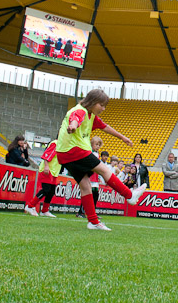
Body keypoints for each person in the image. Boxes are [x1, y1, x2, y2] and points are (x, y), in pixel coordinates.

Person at [55, 89, 147, 231]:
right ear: (92, 102)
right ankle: (129, 195)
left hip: (64, 153)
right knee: (104, 170)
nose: (103, 109)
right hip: (74, 150)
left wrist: (122, 137)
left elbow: (105, 127)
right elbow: (75, 118)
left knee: (85, 184)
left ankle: (93, 222)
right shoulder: (80, 111)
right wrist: (73, 125)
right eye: (101, 105)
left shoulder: (91, 115)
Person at [25, 136, 61, 218]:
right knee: (46, 190)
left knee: (51, 191)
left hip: (54, 171)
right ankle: (30, 206)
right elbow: (46, 154)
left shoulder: (63, 145)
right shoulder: (56, 143)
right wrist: (46, 166)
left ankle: (45, 210)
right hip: (48, 170)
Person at [77, 136, 104, 219]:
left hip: (95, 177)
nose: (98, 146)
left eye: (99, 145)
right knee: (87, 193)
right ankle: (81, 212)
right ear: (92, 144)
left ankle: (93, 212)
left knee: (95, 195)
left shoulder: (97, 154)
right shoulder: (89, 152)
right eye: (96, 144)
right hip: (90, 176)